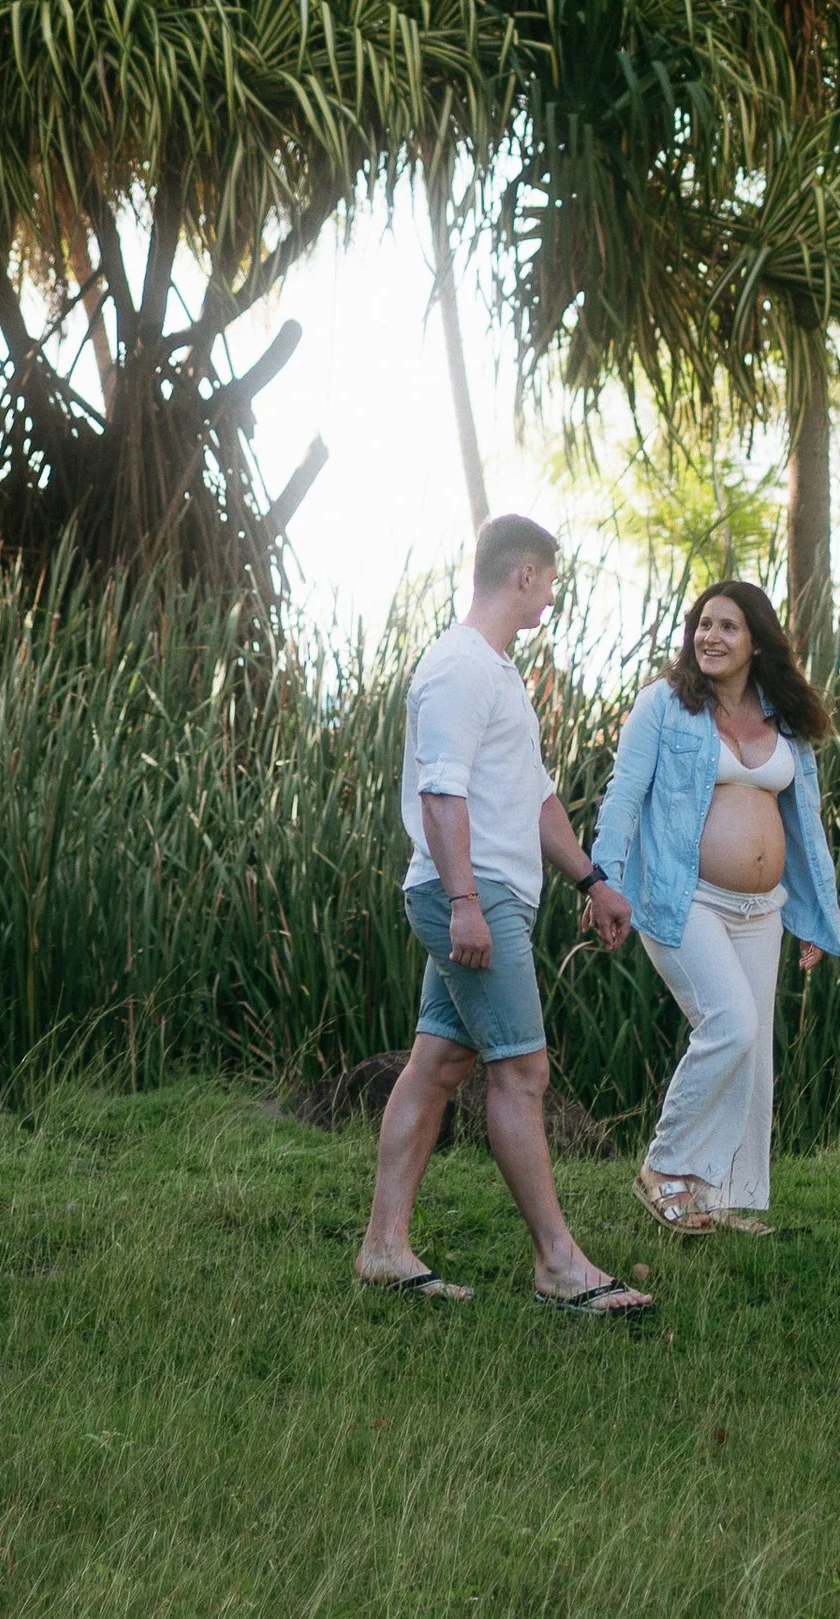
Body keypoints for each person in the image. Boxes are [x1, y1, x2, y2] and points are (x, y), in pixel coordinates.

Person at [356, 513, 655, 1314]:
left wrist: (593, 880)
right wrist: (463, 903)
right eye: (551, 580)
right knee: (522, 1073)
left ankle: (385, 1247)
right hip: (471, 891)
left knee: (440, 1063)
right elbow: (439, 790)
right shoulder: (457, 667)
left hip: (486, 890)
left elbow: (538, 799)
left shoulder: (498, 674)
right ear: (523, 574)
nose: (553, 596)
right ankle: (559, 1264)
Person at [589, 576, 840, 1235]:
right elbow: (622, 796)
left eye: (728, 625)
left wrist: (814, 917)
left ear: (757, 640)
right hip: (683, 897)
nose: (711, 635)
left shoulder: (783, 718)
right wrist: (602, 879)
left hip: (762, 909)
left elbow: (805, 823)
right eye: (704, 623)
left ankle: (726, 1195)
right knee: (728, 1022)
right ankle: (665, 1166)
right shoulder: (666, 705)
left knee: (753, 1048)